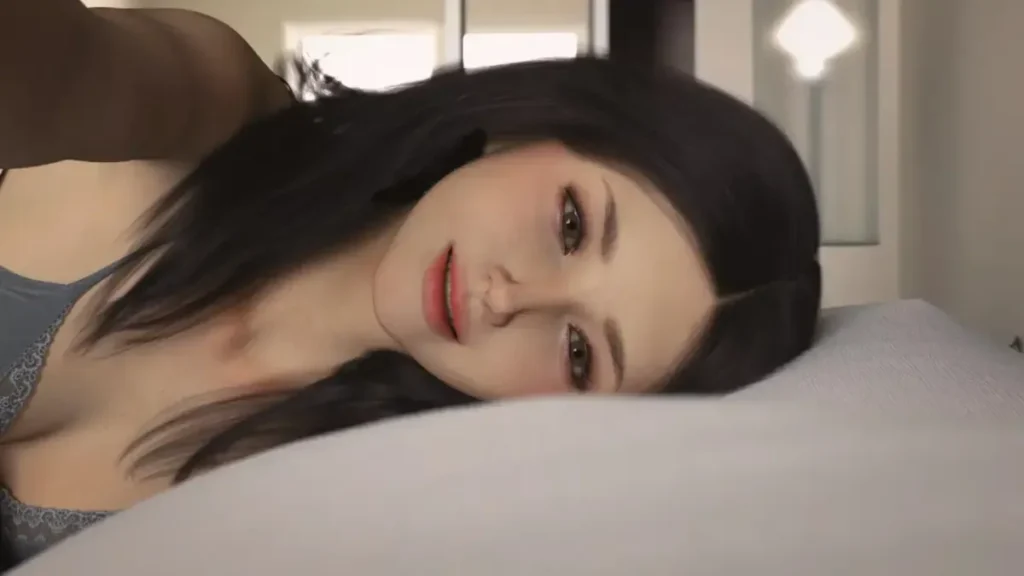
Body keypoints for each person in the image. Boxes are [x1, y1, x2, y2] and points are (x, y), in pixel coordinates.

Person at [0, 1, 820, 567]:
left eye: (579, 354)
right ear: (542, 127)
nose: (509, 299)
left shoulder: (333, 516)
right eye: (571, 225)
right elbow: (72, 69)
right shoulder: (219, 114)